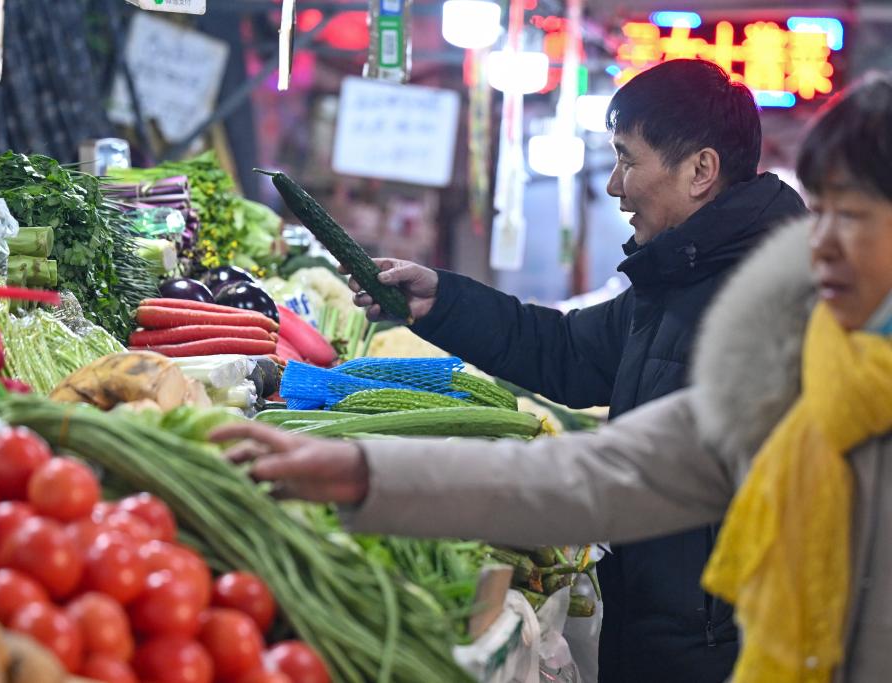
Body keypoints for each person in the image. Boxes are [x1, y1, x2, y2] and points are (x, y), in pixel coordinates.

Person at [214, 72, 892, 683]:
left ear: (701, 170)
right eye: (824, 210)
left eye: (853, 216)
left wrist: (362, 473)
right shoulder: (736, 308)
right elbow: (583, 402)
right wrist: (436, 315)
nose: (823, 241)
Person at [357, 58, 805, 682]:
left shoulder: (768, 302)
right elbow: (566, 351)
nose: (615, 185)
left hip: (721, 648)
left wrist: (386, 480)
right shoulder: (678, 278)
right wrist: (442, 301)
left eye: (627, 159)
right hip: (659, 624)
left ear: (700, 171)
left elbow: (634, 476)